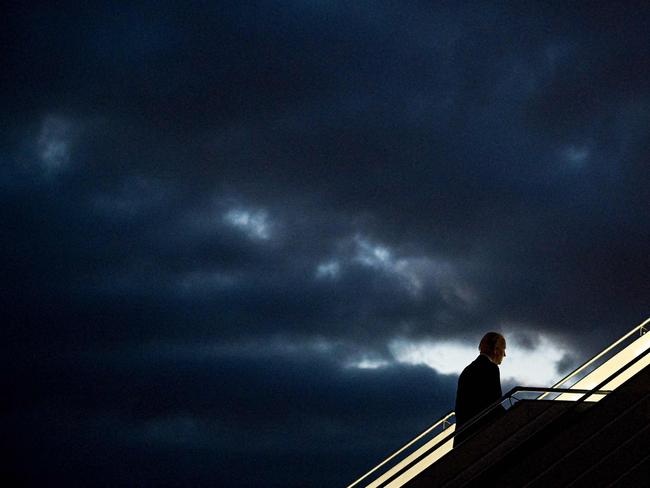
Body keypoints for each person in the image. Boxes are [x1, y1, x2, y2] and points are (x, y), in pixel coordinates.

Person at [453, 332, 506, 446]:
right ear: (496, 349)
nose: (504, 354)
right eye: (503, 348)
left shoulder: (467, 370)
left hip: (463, 435)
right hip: (481, 434)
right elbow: (495, 402)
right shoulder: (492, 368)